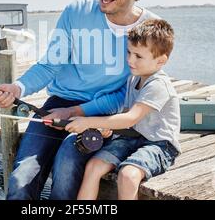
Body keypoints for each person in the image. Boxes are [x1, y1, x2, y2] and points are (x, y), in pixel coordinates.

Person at [0, 0, 160, 200]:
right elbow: (50, 65)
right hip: (58, 103)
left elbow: (127, 96)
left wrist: (76, 113)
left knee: (66, 167)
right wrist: (18, 88)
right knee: (21, 179)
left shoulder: (149, 31)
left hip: (103, 113)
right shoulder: (76, 11)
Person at [65, 18, 181, 200]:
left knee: (127, 175)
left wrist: (87, 121)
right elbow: (125, 118)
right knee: (93, 166)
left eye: (138, 56)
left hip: (159, 145)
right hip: (132, 136)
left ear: (160, 61)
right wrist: (107, 128)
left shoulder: (158, 85)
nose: (130, 60)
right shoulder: (134, 78)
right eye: (129, 52)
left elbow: (131, 118)